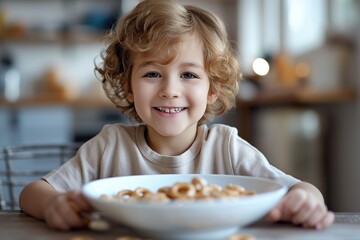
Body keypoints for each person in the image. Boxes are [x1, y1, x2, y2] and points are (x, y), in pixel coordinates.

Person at [19, 0, 334, 231]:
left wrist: (307, 200)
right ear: (128, 86)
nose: (170, 90)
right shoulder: (109, 146)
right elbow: (33, 193)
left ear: (212, 90)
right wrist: (52, 205)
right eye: (153, 74)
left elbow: (298, 189)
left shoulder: (226, 147)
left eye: (189, 75)